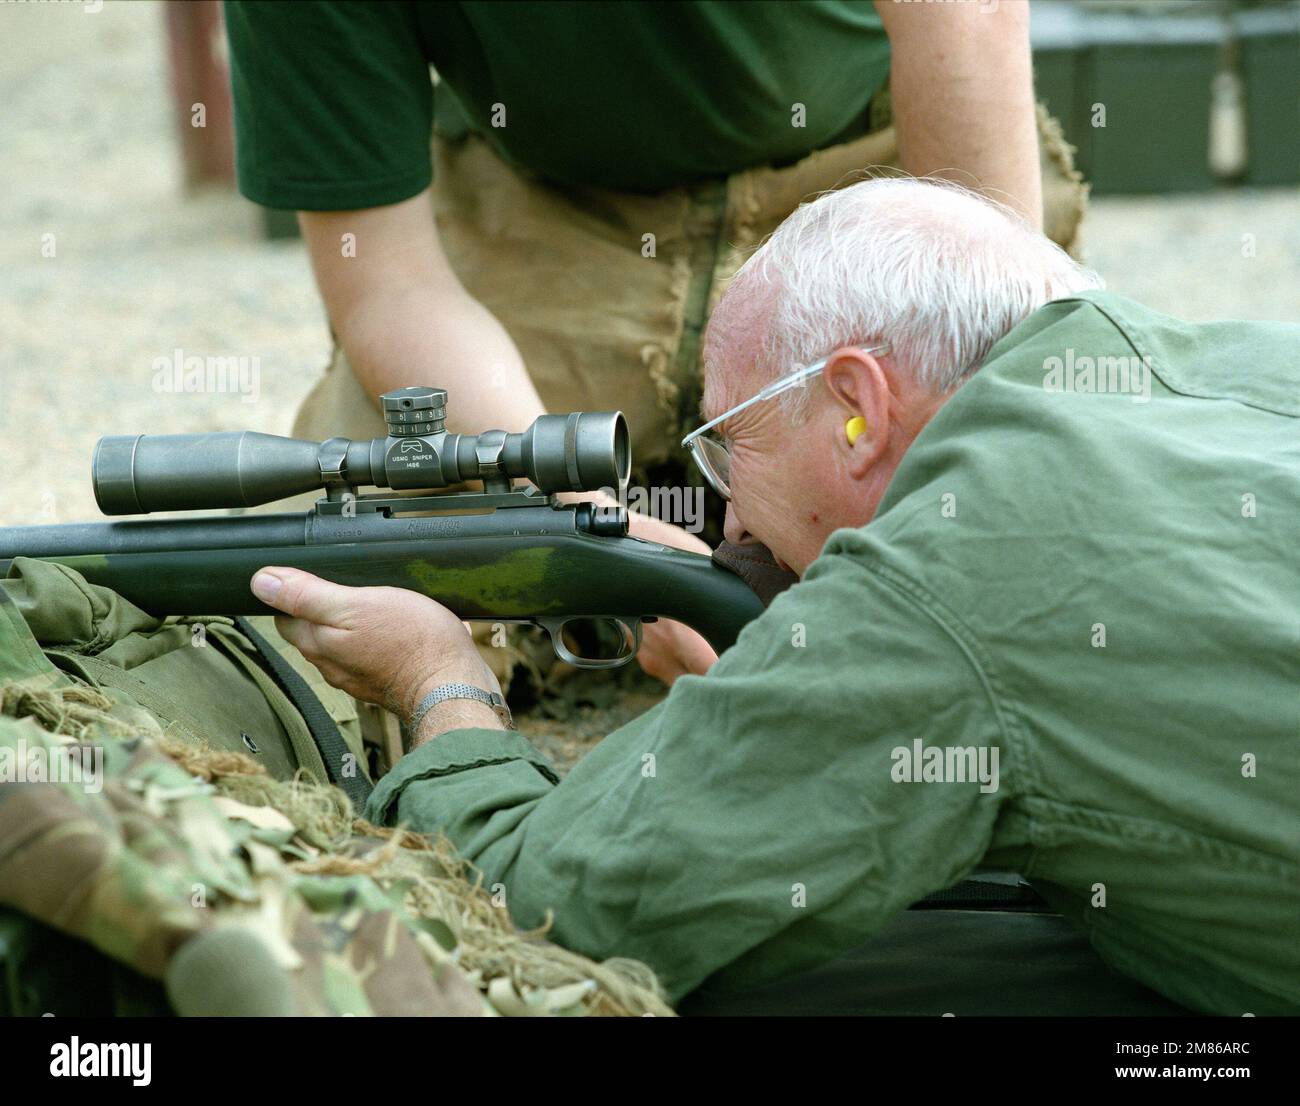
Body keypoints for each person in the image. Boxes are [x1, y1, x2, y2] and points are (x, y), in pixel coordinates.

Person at [247, 178, 1300, 1015]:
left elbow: (539, 914)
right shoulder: (1245, 363)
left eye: (727, 441)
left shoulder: (941, 579)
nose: (732, 518)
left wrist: (440, 682)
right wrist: (789, 690)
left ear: (855, 405)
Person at [224, 0, 1088, 683]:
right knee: (330, 555)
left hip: (878, 184)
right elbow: (390, 286)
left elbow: (967, 24)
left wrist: (946, 445)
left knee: (1042, 513)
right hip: (546, 214)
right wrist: (595, 530)